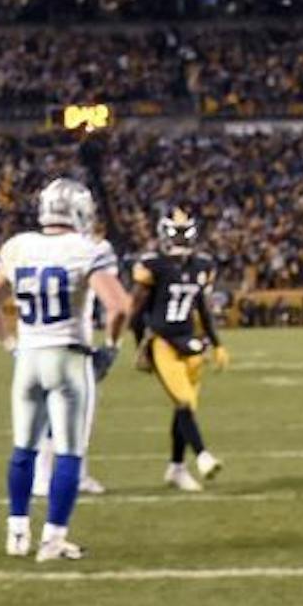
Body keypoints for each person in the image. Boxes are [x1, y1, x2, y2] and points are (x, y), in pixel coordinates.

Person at [0, 176, 130, 562]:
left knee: (23, 448)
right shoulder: (89, 248)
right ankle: (53, 540)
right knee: (70, 453)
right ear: (79, 211)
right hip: (69, 357)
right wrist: (112, 345)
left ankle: (17, 533)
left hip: (28, 358)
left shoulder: (19, 246)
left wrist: (9, 344)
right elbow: (120, 306)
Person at [128, 207, 228, 493]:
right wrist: (141, 347)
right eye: (177, 235)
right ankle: (203, 457)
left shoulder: (202, 266)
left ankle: (176, 468)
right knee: (184, 402)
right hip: (162, 341)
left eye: (185, 235)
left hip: (190, 342)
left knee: (185, 408)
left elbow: (203, 310)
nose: (181, 241)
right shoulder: (153, 265)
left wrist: (217, 343)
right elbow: (136, 312)